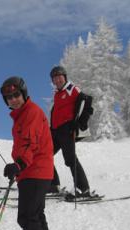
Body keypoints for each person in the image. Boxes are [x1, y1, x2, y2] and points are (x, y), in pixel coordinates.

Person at [0, 76, 58, 230]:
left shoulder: (30, 112)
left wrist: (19, 164)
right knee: (36, 214)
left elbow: (29, 143)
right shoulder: (21, 116)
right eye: (9, 97)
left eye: (16, 94)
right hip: (34, 172)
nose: (13, 99)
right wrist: (19, 166)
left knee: (28, 216)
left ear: (24, 94)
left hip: (34, 171)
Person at [49, 66, 96, 199]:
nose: (57, 80)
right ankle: (53, 185)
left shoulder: (71, 89)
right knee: (45, 154)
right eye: (54, 78)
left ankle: (83, 189)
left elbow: (87, 102)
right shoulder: (57, 94)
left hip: (67, 129)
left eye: (59, 77)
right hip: (56, 130)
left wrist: (81, 122)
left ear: (65, 77)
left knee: (70, 159)